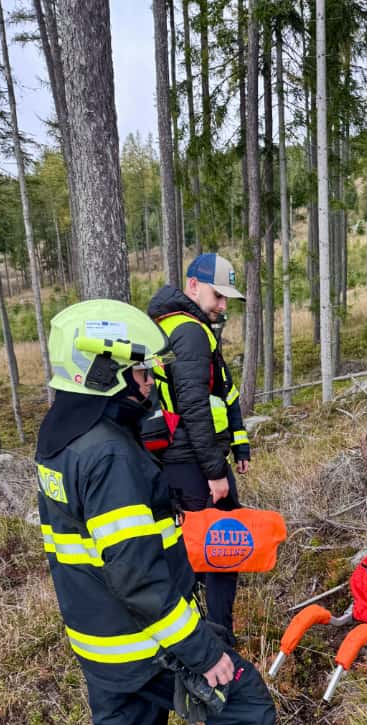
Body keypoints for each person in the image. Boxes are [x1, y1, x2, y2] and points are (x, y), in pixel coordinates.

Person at [35, 299, 291, 725]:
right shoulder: (109, 457)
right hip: (141, 639)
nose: (153, 384)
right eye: (145, 371)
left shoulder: (61, 440)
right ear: (110, 371)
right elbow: (140, 580)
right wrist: (203, 651)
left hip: (96, 641)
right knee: (247, 708)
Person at [147, 254, 250, 645]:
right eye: (217, 295)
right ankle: (218, 641)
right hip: (192, 462)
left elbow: (220, 397)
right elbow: (193, 406)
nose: (222, 306)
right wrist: (214, 472)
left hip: (176, 459)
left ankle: (191, 633)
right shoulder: (190, 332)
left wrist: (237, 446)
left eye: (227, 299)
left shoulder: (167, 325)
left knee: (190, 549)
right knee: (223, 550)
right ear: (192, 286)